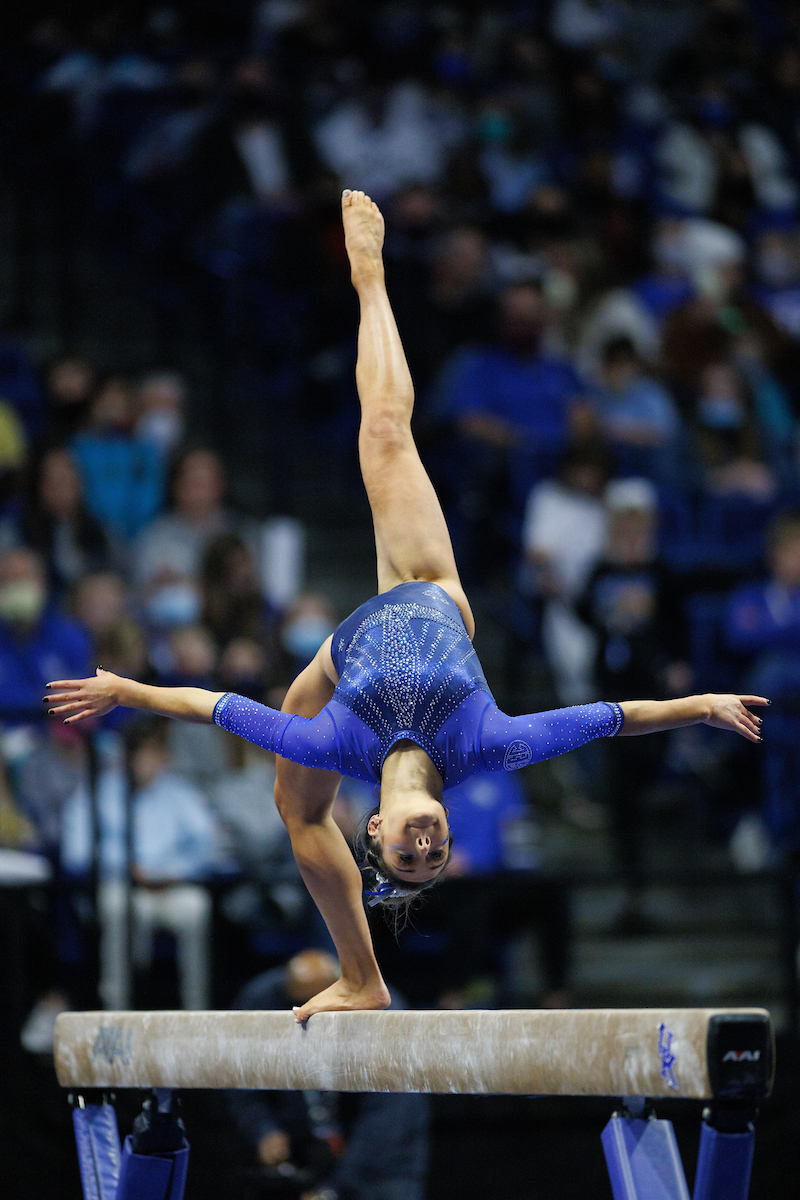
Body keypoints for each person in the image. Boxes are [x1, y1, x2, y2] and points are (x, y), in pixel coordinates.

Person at [45, 190, 768, 1021]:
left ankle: (360, 973)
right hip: (427, 585)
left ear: (379, 829)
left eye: (410, 853)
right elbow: (614, 716)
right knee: (385, 431)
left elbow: (212, 705)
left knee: (293, 808)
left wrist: (125, 690)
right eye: (436, 851)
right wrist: (702, 703)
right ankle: (370, 280)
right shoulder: (487, 744)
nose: (424, 844)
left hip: (333, 664)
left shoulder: (339, 743)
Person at [227, 950, 429, 1200]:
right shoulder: (262, 998)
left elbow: (384, 1118)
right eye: (299, 1002)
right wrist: (264, 1129)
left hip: (380, 1161)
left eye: (314, 1002)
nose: (307, 1012)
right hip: (304, 1147)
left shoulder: (383, 1014)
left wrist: (332, 1190)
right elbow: (240, 1076)